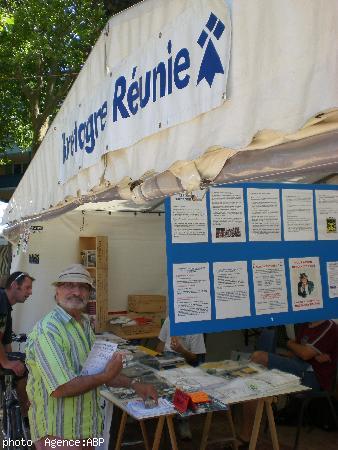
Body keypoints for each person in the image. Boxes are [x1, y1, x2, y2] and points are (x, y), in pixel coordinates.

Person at [26, 264, 157, 450]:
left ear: (89, 294)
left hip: (86, 426)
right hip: (58, 431)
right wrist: (106, 376)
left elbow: (95, 372)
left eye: (83, 287)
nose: (76, 292)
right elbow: (60, 388)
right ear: (57, 291)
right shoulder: (48, 331)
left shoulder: (84, 324)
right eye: (69, 285)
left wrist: (135, 384)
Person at [239, 320, 338, 448]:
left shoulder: (330, 327)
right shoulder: (305, 324)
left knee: (259, 357)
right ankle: (247, 435)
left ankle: (247, 436)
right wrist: (298, 352)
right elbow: (299, 353)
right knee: (253, 382)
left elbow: (305, 354)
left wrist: (288, 343)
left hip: (312, 378)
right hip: (298, 367)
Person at [156, 317, 206, 440]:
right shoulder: (169, 320)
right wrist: (155, 360)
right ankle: (152, 413)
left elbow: (196, 359)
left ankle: (183, 420)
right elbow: (161, 345)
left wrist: (181, 350)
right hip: (166, 358)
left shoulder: (195, 326)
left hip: (184, 361)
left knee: (182, 382)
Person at [0, 271, 34, 421]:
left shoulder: (6, 306)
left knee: (21, 362)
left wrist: (11, 363)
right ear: (14, 285)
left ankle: (21, 411)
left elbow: (6, 342)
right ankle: (26, 416)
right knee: (25, 364)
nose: (30, 292)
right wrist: (7, 362)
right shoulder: (0, 299)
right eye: (27, 288)